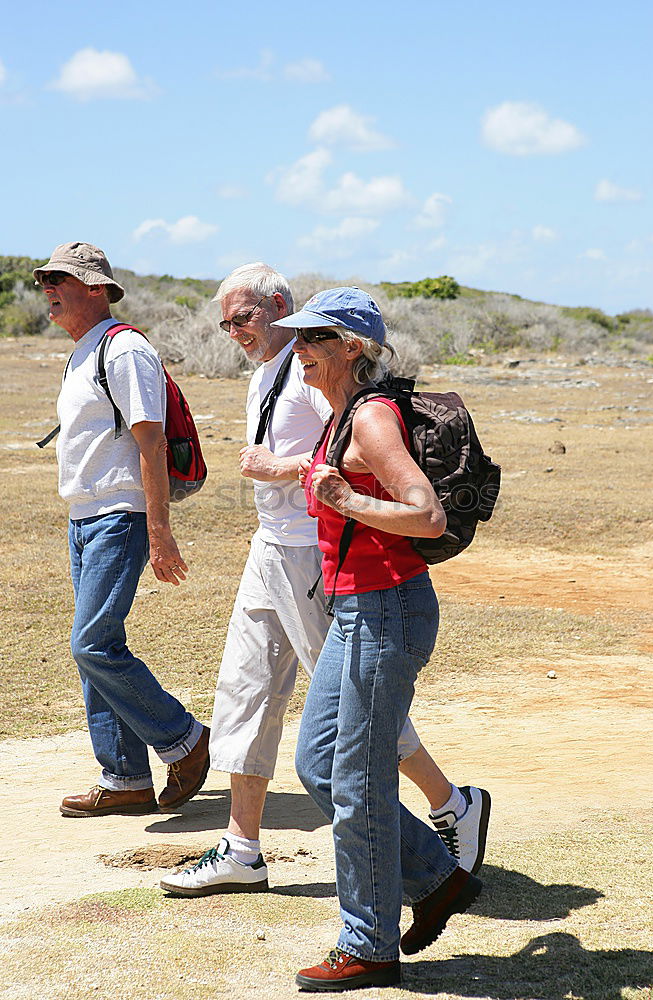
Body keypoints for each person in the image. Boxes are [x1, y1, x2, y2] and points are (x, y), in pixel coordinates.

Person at [160, 264, 489, 899]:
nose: (235, 331)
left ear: (281, 308)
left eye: (245, 318)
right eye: (225, 322)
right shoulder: (272, 372)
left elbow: (339, 456)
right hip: (272, 549)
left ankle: (450, 805)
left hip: (320, 557)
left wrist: (280, 468)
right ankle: (241, 846)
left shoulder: (323, 380)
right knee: (245, 686)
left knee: (351, 715)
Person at [271, 287, 482, 991]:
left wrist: (348, 500)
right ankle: (433, 879)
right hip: (359, 612)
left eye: (312, 340)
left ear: (351, 347)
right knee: (321, 764)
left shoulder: (371, 419)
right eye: (296, 338)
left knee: (356, 778)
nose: (296, 350)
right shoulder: (342, 419)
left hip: (384, 612)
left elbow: (422, 514)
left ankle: (367, 942)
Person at [35, 242, 210, 818]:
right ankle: (126, 778)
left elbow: (151, 441)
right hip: (84, 518)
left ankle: (185, 739)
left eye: (59, 279)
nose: (47, 289)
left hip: (119, 516)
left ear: (96, 287)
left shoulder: (126, 348)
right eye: (45, 280)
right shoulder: (83, 352)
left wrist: (159, 529)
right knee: (97, 649)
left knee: (91, 643)